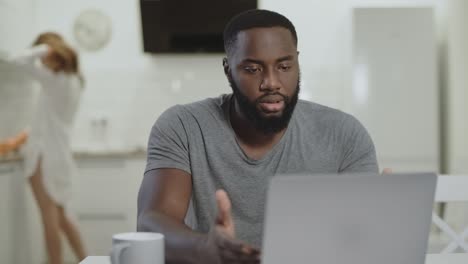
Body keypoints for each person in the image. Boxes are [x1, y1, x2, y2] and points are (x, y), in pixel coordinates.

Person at [137, 9, 379, 264]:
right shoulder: (183, 126)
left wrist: (380, 221)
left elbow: (362, 240)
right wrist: (205, 247)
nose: (271, 82)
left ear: (297, 64)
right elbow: (151, 222)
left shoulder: (344, 134)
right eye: (253, 69)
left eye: (284, 66)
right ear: (228, 71)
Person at [1, 32, 87, 264]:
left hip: (44, 159)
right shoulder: (75, 81)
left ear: (52, 54)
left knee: (49, 220)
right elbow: (48, 122)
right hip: (60, 157)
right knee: (62, 218)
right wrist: (20, 138)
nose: (41, 62)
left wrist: (44, 48)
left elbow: (18, 59)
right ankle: (87, 260)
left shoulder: (53, 79)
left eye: (44, 55)